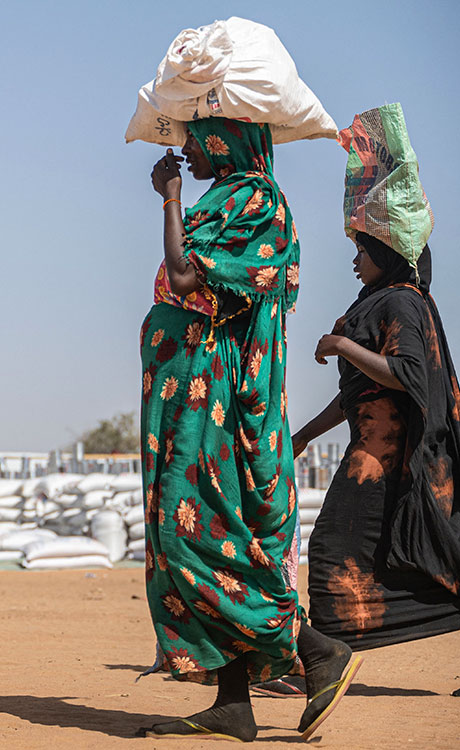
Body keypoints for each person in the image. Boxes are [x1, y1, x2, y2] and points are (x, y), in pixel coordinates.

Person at [141, 119, 360, 742]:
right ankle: (233, 703)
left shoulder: (255, 200)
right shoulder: (234, 197)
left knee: (195, 534)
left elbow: (187, 279)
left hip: (212, 401)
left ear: (225, 140)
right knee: (219, 528)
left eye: (195, 137)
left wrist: (170, 199)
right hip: (192, 395)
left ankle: (315, 650)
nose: (184, 149)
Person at [295, 233, 460, 647]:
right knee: (408, 559)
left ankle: (323, 657)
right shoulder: (382, 298)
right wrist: (305, 435)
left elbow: (406, 373)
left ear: (388, 255)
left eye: (363, 252)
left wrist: (343, 345)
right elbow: (359, 393)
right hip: (372, 453)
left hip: (387, 459)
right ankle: (325, 655)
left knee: (332, 548)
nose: (355, 261)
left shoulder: (401, 300)